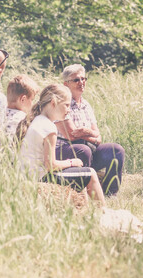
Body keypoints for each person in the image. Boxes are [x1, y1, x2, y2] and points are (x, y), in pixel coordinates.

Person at [17, 84, 106, 206]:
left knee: (80, 173)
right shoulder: (49, 128)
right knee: (90, 173)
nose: (69, 110)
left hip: (28, 176)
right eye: (66, 105)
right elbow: (51, 165)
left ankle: (83, 208)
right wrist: (71, 162)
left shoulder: (37, 120)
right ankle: (103, 212)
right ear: (53, 103)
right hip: (40, 179)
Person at [55, 64, 125, 196]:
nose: (81, 82)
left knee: (116, 150)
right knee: (83, 149)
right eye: (76, 80)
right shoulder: (61, 103)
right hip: (62, 150)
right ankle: (83, 193)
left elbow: (98, 138)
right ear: (66, 84)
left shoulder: (86, 105)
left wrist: (87, 133)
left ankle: (109, 193)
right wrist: (91, 134)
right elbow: (70, 135)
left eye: (83, 79)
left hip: (86, 148)